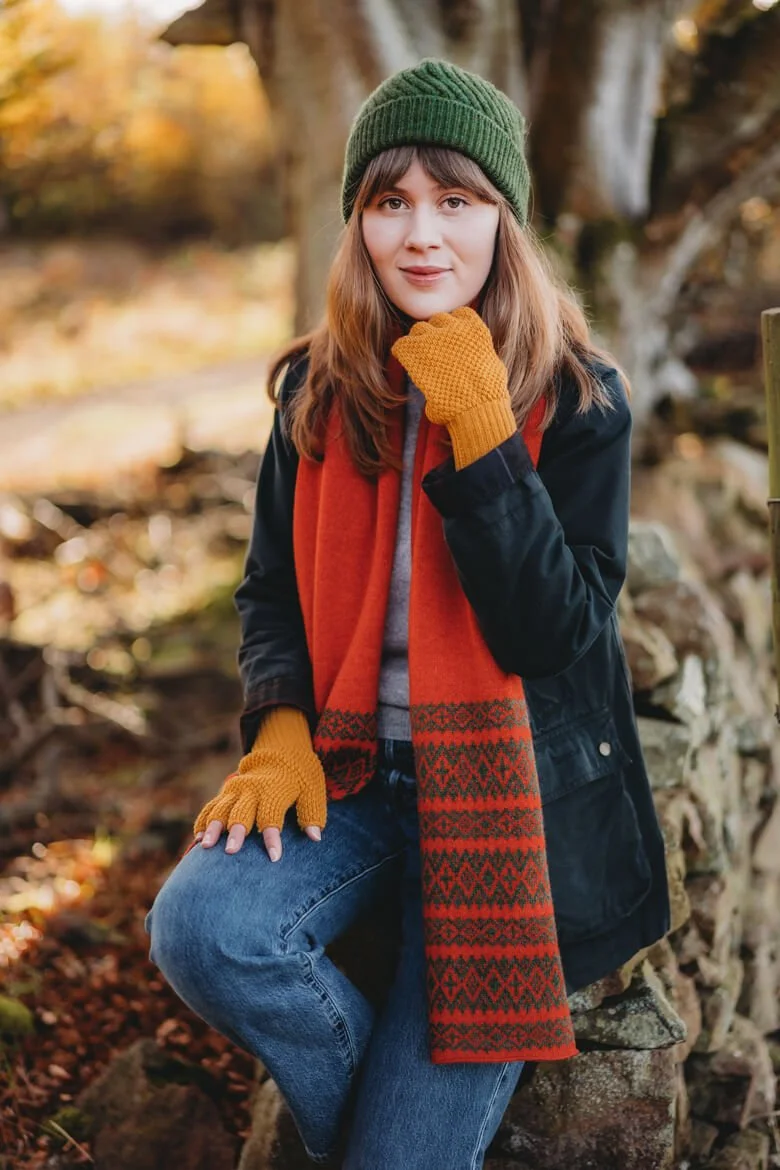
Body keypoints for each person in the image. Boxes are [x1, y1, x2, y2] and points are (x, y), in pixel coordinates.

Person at [144, 58, 671, 1170]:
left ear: (504, 220)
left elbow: (552, 632)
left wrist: (480, 421)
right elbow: (269, 591)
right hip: (353, 774)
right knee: (201, 929)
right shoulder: (316, 392)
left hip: (506, 801)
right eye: (390, 202)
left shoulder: (580, 400)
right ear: (359, 224)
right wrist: (279, 727)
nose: (421, 234)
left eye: (456, 200)